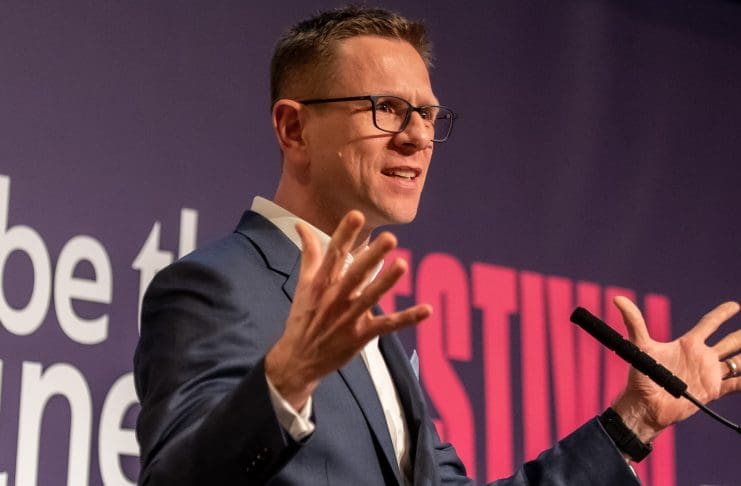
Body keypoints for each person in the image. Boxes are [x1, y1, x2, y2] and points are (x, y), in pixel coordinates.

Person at [133, 5, 740, 485]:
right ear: (294, 128)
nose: (417, 137)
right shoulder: (216, 285)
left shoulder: (377, 332)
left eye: (427, 115)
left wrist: (635, 419)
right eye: (386, 109)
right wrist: (285, 382)